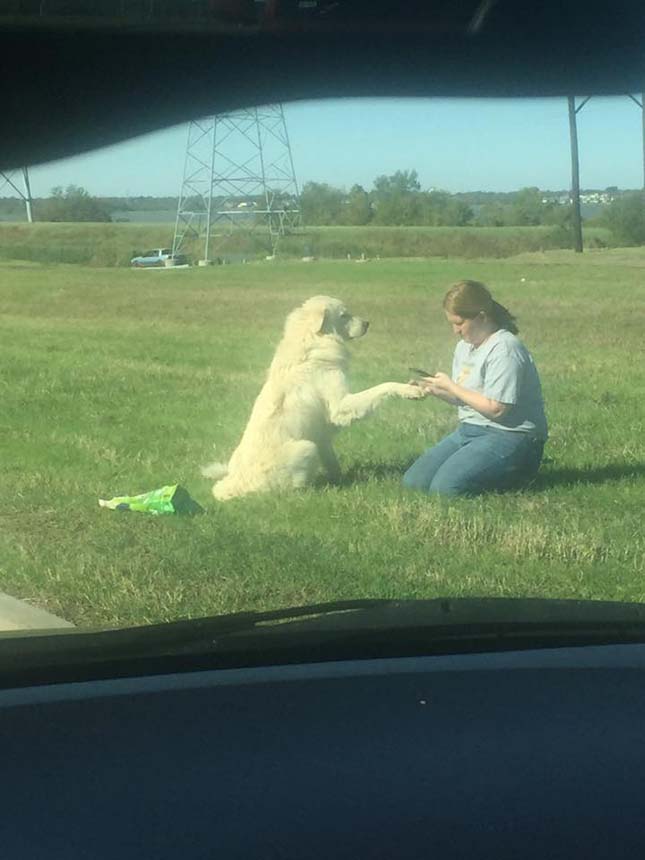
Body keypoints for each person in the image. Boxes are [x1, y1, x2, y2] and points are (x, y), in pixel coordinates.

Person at [403, 279, 548, 497]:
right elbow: (465, 398)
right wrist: (434, 389)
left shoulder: (505, 349)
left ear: (481, 317)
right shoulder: (464, 347)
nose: (455, 331)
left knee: (446, 489)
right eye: (451, 323)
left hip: (511, 436)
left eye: (459, 323)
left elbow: (497, 409)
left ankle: (517, 476)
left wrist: (451, 386)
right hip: (469, 430)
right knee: (414, 482)